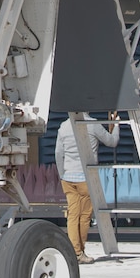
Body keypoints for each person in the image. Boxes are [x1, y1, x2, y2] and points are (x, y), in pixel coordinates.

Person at [55, 112, 120, 263]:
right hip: (85, 177)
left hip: (68, 177)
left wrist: (62, 174)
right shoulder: (93, 124)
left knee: (72, 216)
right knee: (84, 217)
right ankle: (79, 252)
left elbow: (58, 153)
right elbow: (112, 141)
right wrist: (116, 125)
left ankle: (74, 252)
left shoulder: (63, 126)